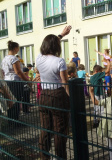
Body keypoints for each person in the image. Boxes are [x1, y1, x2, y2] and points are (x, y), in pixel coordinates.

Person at [37, 25, 71, 159]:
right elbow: (64, 82)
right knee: (60, 130)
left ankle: (44, 157)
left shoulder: (39, 58)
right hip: (58, 95)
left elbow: (50, 43)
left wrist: (61, 35)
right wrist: (69, 98)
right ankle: (61, 156)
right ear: (56, 46)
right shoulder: (59, 61)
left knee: (45, 129)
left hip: (44, 95)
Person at [1, 40, 30, 125]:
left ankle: (11, 120)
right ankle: (15, 121)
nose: (18, 49)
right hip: (15, 81)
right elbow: (18, 72)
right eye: (18, 47)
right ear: (15, 48)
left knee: (10, 100)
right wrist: (27, 80)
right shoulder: (14, 58)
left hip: (7, 81)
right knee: (16, 100)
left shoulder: (4, 59)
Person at [89, 64, 110, 128]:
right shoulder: (97, 75)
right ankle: (102, 122)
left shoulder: (92, 77)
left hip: (95, 94)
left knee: (96, 109)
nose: (101, 73)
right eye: (100, 72)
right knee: (102, 108)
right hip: (99, 94)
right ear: (96, 71)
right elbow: (107, 71)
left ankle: (95, 122)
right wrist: (108, 64)